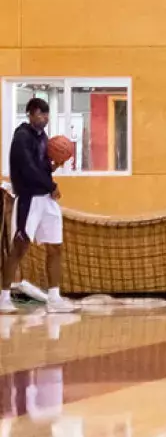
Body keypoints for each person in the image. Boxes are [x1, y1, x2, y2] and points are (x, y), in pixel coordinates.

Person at [2, 98, 76, 314]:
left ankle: (54, 298)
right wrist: (51, 184)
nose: (44, 118)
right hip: (29, 199)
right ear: (30, 114)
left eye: (46, 114)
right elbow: (28, 169)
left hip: (47, 199)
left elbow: (42, 168)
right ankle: (4, 297)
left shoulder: (43, 137)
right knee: (19, 248)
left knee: (55, 247)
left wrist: (55, 164)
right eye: (40, 114)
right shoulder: (21, 137)